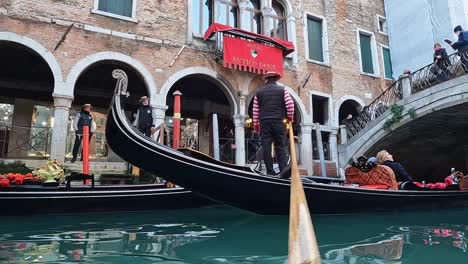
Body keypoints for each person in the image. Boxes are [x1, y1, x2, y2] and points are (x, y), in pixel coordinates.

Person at [253, 71, 294, 175]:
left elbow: (255, 111)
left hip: (264, 122)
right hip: (278, 122)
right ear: (276, 79)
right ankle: (283, 169)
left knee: (266, 146)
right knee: (280, 146)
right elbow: (290, 104)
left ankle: (270, 171)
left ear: (266, 79)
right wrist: (290, 117)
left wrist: (256, 125)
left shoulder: (259, 92)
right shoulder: (282, 90)